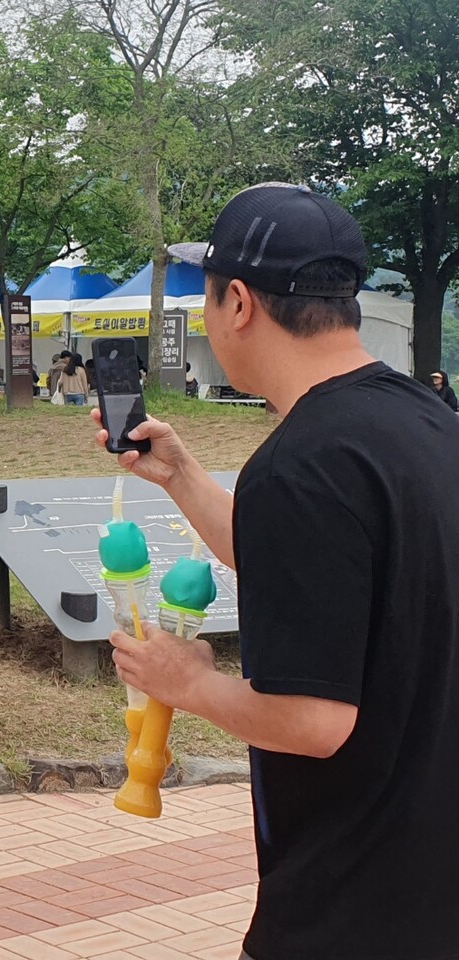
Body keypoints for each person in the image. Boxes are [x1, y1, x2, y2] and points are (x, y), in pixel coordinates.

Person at [97, 182, 459, 960]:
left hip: (348, 908)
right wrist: (183, 477)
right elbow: (317, 568)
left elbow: (314, 721)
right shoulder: (426, 421)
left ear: (237, 302)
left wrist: (185, 682)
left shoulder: (302, 464)